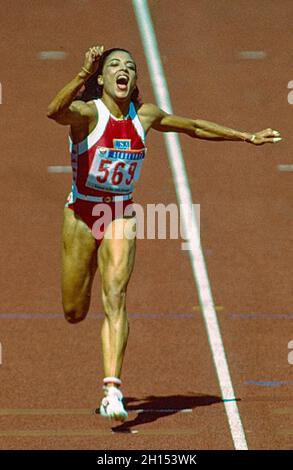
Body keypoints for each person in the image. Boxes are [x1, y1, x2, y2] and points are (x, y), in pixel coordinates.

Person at [47, 45, 282, 422]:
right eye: (114, 66)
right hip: (81, 214)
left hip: (119, 212)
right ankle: (89, 264)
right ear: (103, 79)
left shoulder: (147, 116)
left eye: (130, 67)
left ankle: (112, 389)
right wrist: (80, 73)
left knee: (116, 295)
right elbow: (54, 111)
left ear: (134, 80)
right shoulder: (88, 114)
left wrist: (246, 136)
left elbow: (193, 127)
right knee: (75, 311)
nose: (123, 71)